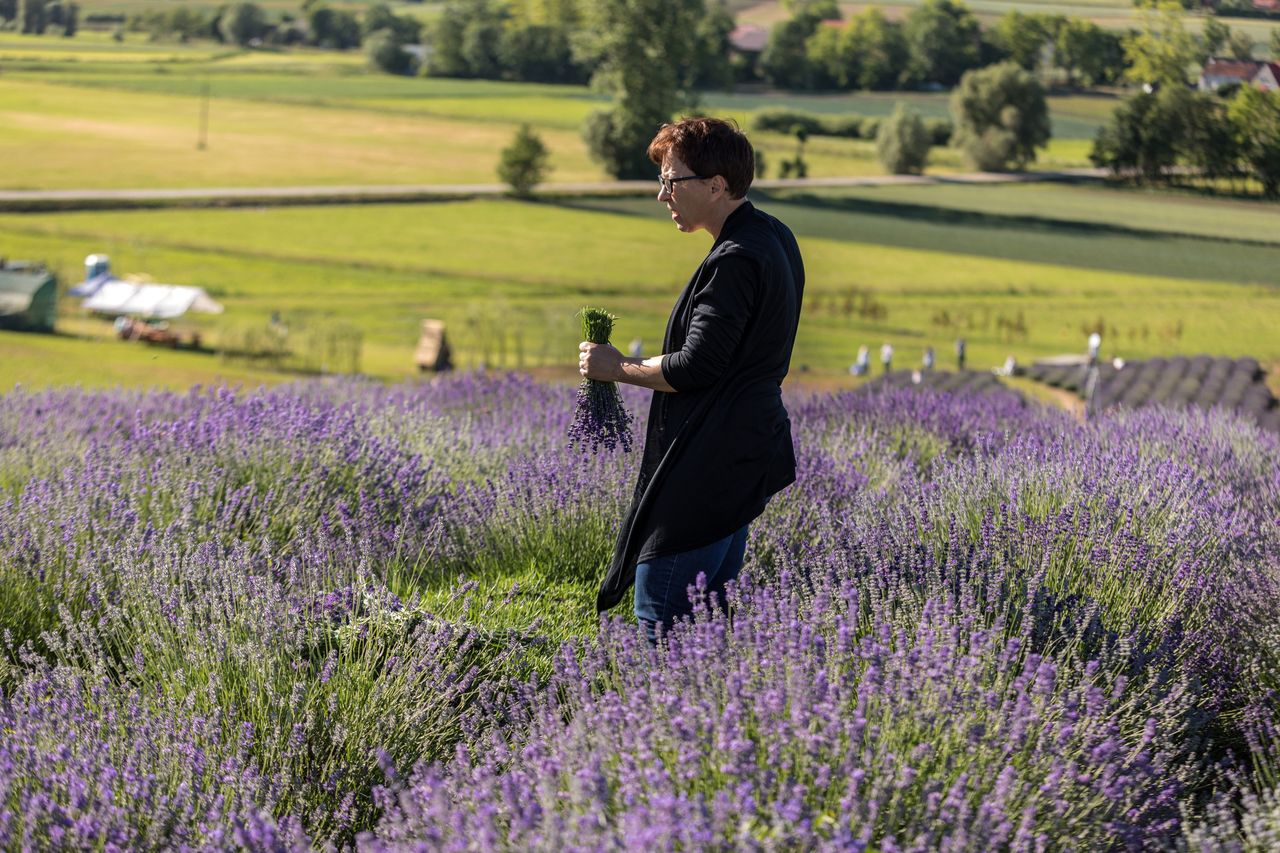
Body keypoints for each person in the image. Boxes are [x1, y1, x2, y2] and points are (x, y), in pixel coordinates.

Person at [578, 117, 805, 644]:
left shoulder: (736, 259)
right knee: (708, 621)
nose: (663, 195)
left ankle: (665, 722)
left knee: (661, 616)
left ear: (716, 185)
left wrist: (618, 369)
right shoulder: (772, 235)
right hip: (745, 451)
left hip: (710, 462)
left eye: (671, 181)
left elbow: (697, 368)